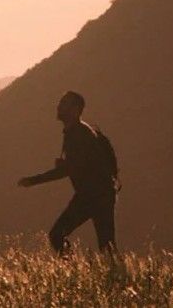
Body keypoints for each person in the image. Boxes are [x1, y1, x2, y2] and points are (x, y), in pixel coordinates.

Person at [18, 90, 119, 255]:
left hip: (93, 195)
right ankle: (108, 275)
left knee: (58, 235)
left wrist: (33, 180)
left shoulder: (78, 134)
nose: (59, 106)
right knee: (106, 246)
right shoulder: (79, 132)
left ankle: (76, 271)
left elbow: (68, 169)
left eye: (64, 103)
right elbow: (77, 165)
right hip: (99, 193)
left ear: (75, 109)